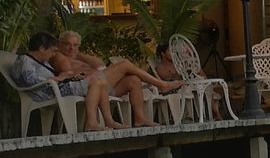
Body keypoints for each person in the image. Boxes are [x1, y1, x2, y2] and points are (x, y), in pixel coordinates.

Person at [51, 30, 184, 126]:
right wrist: (84, 70)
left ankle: (139, 118)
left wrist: (79, 54)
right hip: (85, 85)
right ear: (59, 44)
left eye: (75, 45)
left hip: (100, 85)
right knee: (125, 64)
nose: (71, 48)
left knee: (133, 80)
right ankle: (161, 84)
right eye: (67, 44)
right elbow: (68, 73)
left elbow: (100, 65)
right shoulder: (59, 57)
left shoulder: (77, 57)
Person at [10, 32, 124, 132]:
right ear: (41, 49)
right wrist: (56, 79)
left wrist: (64, 76)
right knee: (97, 81)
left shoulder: (41, 62)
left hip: (56, 87)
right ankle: (92, 123)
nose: (53, 54)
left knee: (101, 82)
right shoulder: (24, 61)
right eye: (52, 51)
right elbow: (30, 80)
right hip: (49, 92)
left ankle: (108, 121)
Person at [154, 40, 223, 119]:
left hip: (183, 86)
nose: (172, 53)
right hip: (172, 90)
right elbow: (169, 79)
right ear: (163, 54)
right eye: (170, 51)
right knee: (198, 86)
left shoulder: (177, 64)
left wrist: (188, 60)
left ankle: (214, 112)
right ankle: (214, 113)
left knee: (201, 81)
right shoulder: (160, 68)